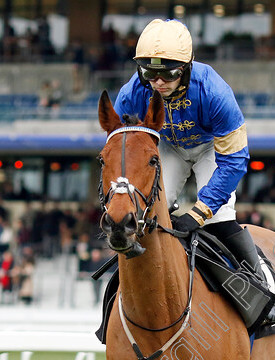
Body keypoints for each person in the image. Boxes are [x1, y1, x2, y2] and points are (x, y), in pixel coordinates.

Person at [112, 19, 266, 289]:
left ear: (186, 68)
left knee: (217, 218)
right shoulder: (131, 94)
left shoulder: (215, 93)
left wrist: (198, 213)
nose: (158, 82)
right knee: (143, 212)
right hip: (168, 146)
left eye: (168, 74)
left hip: (211, 148)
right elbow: (123, 152)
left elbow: (234, 161)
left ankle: (260, 285)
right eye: (149, 74)